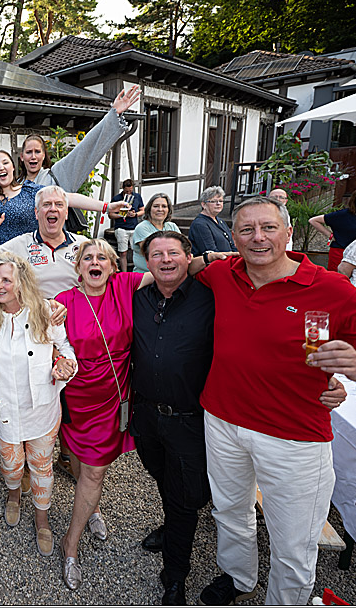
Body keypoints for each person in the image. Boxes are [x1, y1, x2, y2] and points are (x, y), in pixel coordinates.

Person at [195, 196, 356, 606]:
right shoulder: (225, 273)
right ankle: (239, 577)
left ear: (288, 232)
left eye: (268, 228)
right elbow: (192, 267)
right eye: (246, 230)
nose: (258, 238)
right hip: (222, 421)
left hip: (294, 436)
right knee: (229, 511)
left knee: (293, 542)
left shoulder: (331, 288)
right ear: (234, 239)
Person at [55, 239, 210, 590]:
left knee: (94, 470)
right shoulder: (62, 302)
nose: (94, 262)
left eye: (102, 258)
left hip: (114, 398)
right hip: (77, 398)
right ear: (78, 267)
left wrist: (213, 257)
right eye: (87, 258)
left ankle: (70, 542)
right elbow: (47, 342)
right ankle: (90, 511)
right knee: (80, 458)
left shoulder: (125, 286)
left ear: (113, 267)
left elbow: (172, 268)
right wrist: (56, 356)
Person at [130, 231, 215, 605]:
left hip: (188, 420)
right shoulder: (137, 298)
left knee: (184, 498)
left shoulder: (210, 299)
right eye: (157, 254)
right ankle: (172, 524)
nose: (165, 260)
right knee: (163, 477)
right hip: (147, 416)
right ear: (147, 262)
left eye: (173, 253)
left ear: (188, 257)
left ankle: (175, 575)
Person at [0, 253, 77, 557]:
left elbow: (65, 349)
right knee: (11, 466)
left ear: (21, 283)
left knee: (41, 467)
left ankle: (42, 518)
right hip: (6, 411)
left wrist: (64, 364)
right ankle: (14, 495)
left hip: (41, 411)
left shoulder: (46, 312)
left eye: (6, 280)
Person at [16, 86, 140, 190]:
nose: (33, 156)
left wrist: (113, 114)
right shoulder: (14, 186)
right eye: (29, 152)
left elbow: (84, 149)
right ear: (22, 156)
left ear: (44, 155)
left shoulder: (57, 176)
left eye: (37, 152)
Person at [308, 186, 356, 273]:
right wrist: (330, 235)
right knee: (336, 278)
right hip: (340, 252)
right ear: (355, 199)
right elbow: (313, 220)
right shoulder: (342, 215)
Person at [130, 192, 180, 273]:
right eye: (156, 206)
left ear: (168, 210)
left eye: (164, 206)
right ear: (149, 209)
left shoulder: (172, 226)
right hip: (145, 275)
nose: (160, 209)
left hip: (168, 273)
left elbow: (182, 248)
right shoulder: (142, 228)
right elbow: (153, 252)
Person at [107, 178, 145, 272]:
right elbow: (110, 215)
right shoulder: (116, 199)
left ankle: (136, 271)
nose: (129, 193)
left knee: (137, 251)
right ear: (123, 188)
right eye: (127, 191)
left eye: (130, 191)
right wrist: (122, 215)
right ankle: (124, 273)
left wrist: (135, 214)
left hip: (134, 227)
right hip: (121, 227)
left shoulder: (137, 197)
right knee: (123, 252)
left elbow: (142, 210)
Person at [188, 186, 235, 257]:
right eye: (213, 201)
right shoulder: (200, 224)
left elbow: (232, 244)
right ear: (203, 204)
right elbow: (210, 251)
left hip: (228, 260)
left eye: (220, 201)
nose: (218, 203)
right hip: (214, 262)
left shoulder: (221, 221)